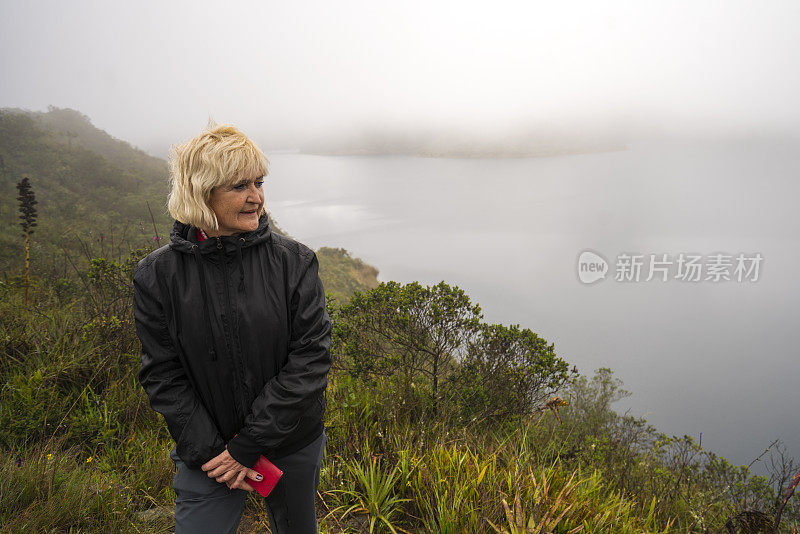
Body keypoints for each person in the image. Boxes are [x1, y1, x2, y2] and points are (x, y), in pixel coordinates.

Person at [132, 123, 332, 533]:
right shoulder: (157, 274)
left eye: (259, 182)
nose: (257, 197)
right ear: (202, 193)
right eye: (239, 186)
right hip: (208, 455)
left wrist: (249, 444)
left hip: (290, 442)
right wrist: (216, 452)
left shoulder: (294, 262)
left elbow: (310, 359)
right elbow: (162, 373)